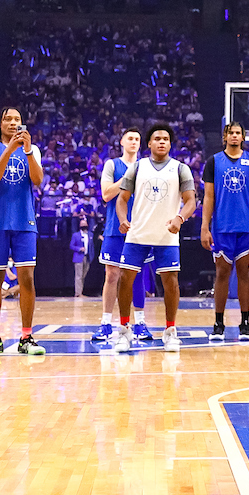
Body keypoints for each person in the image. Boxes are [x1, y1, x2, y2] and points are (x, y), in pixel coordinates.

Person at [113, 123, 196, 353]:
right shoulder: (137, 168)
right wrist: (122, 218)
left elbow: (191, 201)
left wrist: (179, 218)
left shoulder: (181, 169)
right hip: (138, 232)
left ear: (170, 144)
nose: (162, 142)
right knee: (125, 279)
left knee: (170, 283)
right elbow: (121, 199)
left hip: (167, 234)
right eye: (157, 138)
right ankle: (124, 330)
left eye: (166, 139)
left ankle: (170, 331)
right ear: (149, 143)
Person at [0, 107, 46, 356]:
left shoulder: (32, 150)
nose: (13, 123)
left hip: (24, 221)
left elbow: (38, 180)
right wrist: (9, 150)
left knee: (27, 279)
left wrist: (26, 150)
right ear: (0, 124)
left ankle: (26, 337)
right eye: (8, 119)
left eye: (17, 119)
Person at [201, 121, 249, 342]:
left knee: (243, 274)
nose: (234, 136)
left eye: (238, 133)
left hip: (245, 227)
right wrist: (205, 226)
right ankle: (218, 323)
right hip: (221, 227)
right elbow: (208, 196)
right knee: (221, 274)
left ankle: (245, 322)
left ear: (242, 137)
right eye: (231, 133)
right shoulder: (213, 162)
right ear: (225, 136)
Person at [93, 128, 151, 345]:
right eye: (130, 138)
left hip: (140, 229)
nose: (134, 142)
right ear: (122, 142)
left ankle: (140, 322)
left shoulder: (147, 166)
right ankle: (106, 322)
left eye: (137, 139)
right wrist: (128, 177)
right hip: (115, 228)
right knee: (112, 275)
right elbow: (106, 194)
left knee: (137, 275)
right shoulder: (112, 165)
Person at [70, 215, 92, 298]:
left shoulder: (90, 235)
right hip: (78, 257)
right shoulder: (76, 235)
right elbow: (71, 246)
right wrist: (79, 249)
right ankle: (78, 293)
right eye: (82, 224)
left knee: (83, 275)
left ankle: (80, 291)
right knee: (78, 276)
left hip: (87, 257)